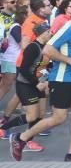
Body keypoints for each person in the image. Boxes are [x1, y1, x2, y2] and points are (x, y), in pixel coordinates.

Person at [11, 4, 71, 162]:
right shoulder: (67, 28)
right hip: (62, 79)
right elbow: (48, 50)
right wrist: (70, 61)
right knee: (59, 118)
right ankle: (21, 138)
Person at [13, 22, 52, 151]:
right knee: (32, 116)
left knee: (40, 114)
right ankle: (4, 129)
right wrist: (37, 83)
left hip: (38, 82)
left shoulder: (46, 47)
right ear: (41, 34)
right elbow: (24, 69)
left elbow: (44, 65)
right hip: (26, 84)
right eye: (48, 32)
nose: (50, 33)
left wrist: (46, 78)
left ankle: (28, 141)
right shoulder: (33, 47)